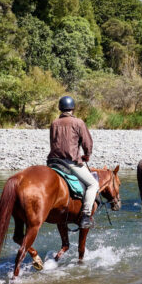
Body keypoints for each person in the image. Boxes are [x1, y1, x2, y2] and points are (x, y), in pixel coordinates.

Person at [48, 96, 98, 229]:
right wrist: (86, 155)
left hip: (53, 163)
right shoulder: (78, 122)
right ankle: (86, 216)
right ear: (72, 108)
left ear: (60, 108)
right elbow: (87, 143)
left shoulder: (54, 123)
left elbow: (53, 142)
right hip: (69, 163)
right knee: (93, 184)